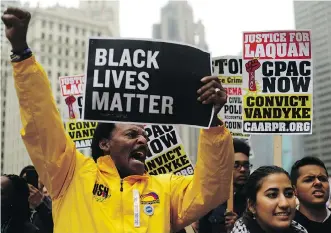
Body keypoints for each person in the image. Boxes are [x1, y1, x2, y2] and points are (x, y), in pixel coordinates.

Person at [2, 7, 234, 233]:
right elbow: (41, 125)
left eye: (144, 135)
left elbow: (212, 187)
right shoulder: (70, 174)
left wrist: (212, 121)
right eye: (132, 134)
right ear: (104, 143)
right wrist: (22, 54)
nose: (143, 140)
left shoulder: (166, 189)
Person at [231, 166, 308, 233]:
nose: (284, 204)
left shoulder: (300, 230)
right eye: (272, 195)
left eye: (289, 194)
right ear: (252, 205)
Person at [199, 138, 251, 233]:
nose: (243, 169)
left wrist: (239, 226)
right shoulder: (211, 201)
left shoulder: (254, 201)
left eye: (246, 165)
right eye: (236, 165)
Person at [290, 157, 331, 232]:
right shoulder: (287, 226)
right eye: (309, 180)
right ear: (294, 190)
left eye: (323, 179)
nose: (318, 182)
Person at [20, 165, 54, 233]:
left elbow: (54, 226)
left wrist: (40, 205)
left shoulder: (50, 204)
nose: (29, 184)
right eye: (24, 180)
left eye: (33, 179)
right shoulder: (19, 206)